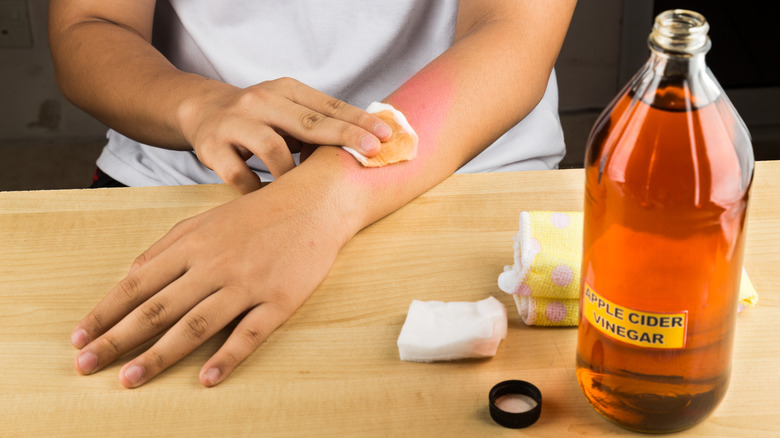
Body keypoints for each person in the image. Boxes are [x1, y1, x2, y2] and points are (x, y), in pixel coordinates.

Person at [49, 0, 577, 388]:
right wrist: (196, 105)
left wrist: (320, 198)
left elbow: (515, 29)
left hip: (469, 170)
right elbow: (89, 25)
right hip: (181, 178)